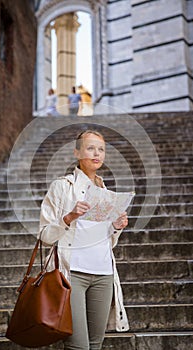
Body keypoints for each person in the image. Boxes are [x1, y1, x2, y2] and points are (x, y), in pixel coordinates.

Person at [39, 130, 129, 350]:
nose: (96, 153)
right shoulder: (61, 187)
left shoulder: (105, 191)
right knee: (78, 346)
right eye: (90, 148)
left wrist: (116, 228)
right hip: (72, 275)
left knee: (96, 344)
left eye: (101, 149)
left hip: (103, 274)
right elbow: (44, 236)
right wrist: (68, 217)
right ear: (77, 152)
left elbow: (108, 242)